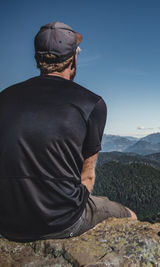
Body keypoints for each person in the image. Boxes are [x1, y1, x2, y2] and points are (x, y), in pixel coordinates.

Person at [0, 22, 137, 242]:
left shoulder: (4, 98)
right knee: (130, 216)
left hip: (6, 222)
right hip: (61, 222)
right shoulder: (91, 104)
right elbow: (87, 176)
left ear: (37, 59)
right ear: (73, 59)